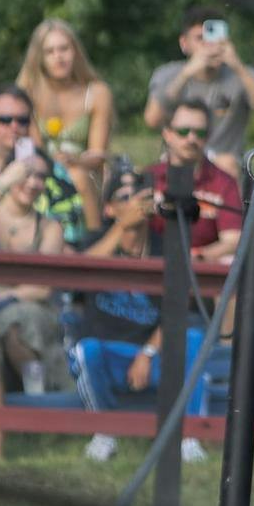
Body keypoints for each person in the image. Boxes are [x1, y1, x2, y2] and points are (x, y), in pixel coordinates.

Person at [73, 162, 213, 464]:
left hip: (154, 354)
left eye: (139, 194)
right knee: (85, 350)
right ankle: (104, 431)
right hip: (108, 352)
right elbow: (80, 271)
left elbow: (176, 311)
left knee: (193, 338)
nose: (134, 202)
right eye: (124, 197)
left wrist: (147, 354)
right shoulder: (95, 240)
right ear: (109, 208)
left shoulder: (167, 248)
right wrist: (121, 227)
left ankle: (188, 437)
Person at [0, 142, 69, 395]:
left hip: (27, 304)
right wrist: (4, 182)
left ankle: (37, 398)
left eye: (40, 176)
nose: (32, 183)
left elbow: (42, 289)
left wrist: (0, 297)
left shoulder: (50, 228)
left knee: (16, 322)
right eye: (26, 173)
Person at [144, 6, 254, 170]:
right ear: (184, 43)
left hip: (225, 164)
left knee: (226, 164)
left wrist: (238, 66)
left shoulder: (242, 75)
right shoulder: (169, 74)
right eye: (200, 39)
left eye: (214, 38)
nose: (208, 45)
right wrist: (186, 74)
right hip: (178, 160)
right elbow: (152, 120)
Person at [0, 85, 90, 248]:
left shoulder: (55, 175)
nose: (14, 127)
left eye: (22, 120)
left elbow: (72, 241)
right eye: (4, 120)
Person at [15, 18, 114, 226]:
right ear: (39, 58)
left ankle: (93, 240)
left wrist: (74, 161)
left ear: (75, 51)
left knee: (78, 175)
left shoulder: (97, 92)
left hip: (85, 171)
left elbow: (98, 154)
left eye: (64, 49)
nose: (58, 57)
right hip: (37, 170)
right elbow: (32, 149)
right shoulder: (27, 94)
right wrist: (54, 163)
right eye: (49, 52)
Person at [143, 101, 244, 264]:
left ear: (208, 137)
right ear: (167, 134)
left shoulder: (224, 182)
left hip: (204, 270)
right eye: (183, 131)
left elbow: (232, 241)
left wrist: (197, 256)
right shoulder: (148, 177)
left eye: (200, 133)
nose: (191, 138)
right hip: (152, 267)